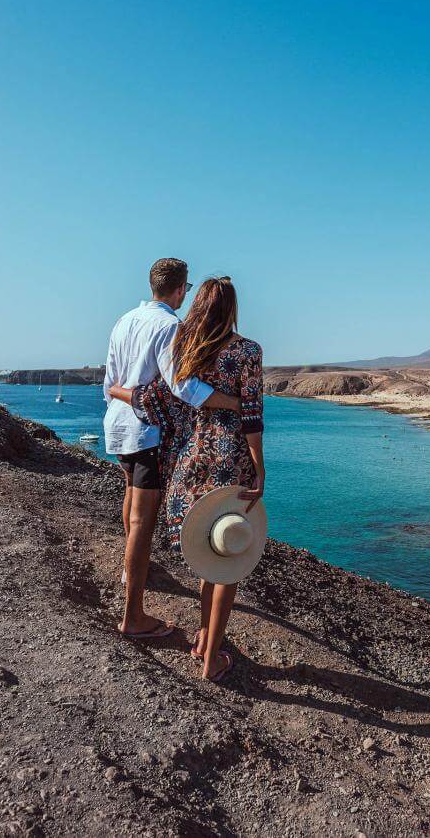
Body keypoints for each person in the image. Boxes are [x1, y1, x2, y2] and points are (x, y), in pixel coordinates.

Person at [109, 276, 264, 682]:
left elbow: (156, 395)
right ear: (231, 308)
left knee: (208, 547)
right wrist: (260, 468)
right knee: (228, 559)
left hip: (189, 462)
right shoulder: (247, 351)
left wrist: (117, 391)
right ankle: (211, 656)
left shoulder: (188, 348)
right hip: (230, 460)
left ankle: (203, 633)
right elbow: (252, 418)